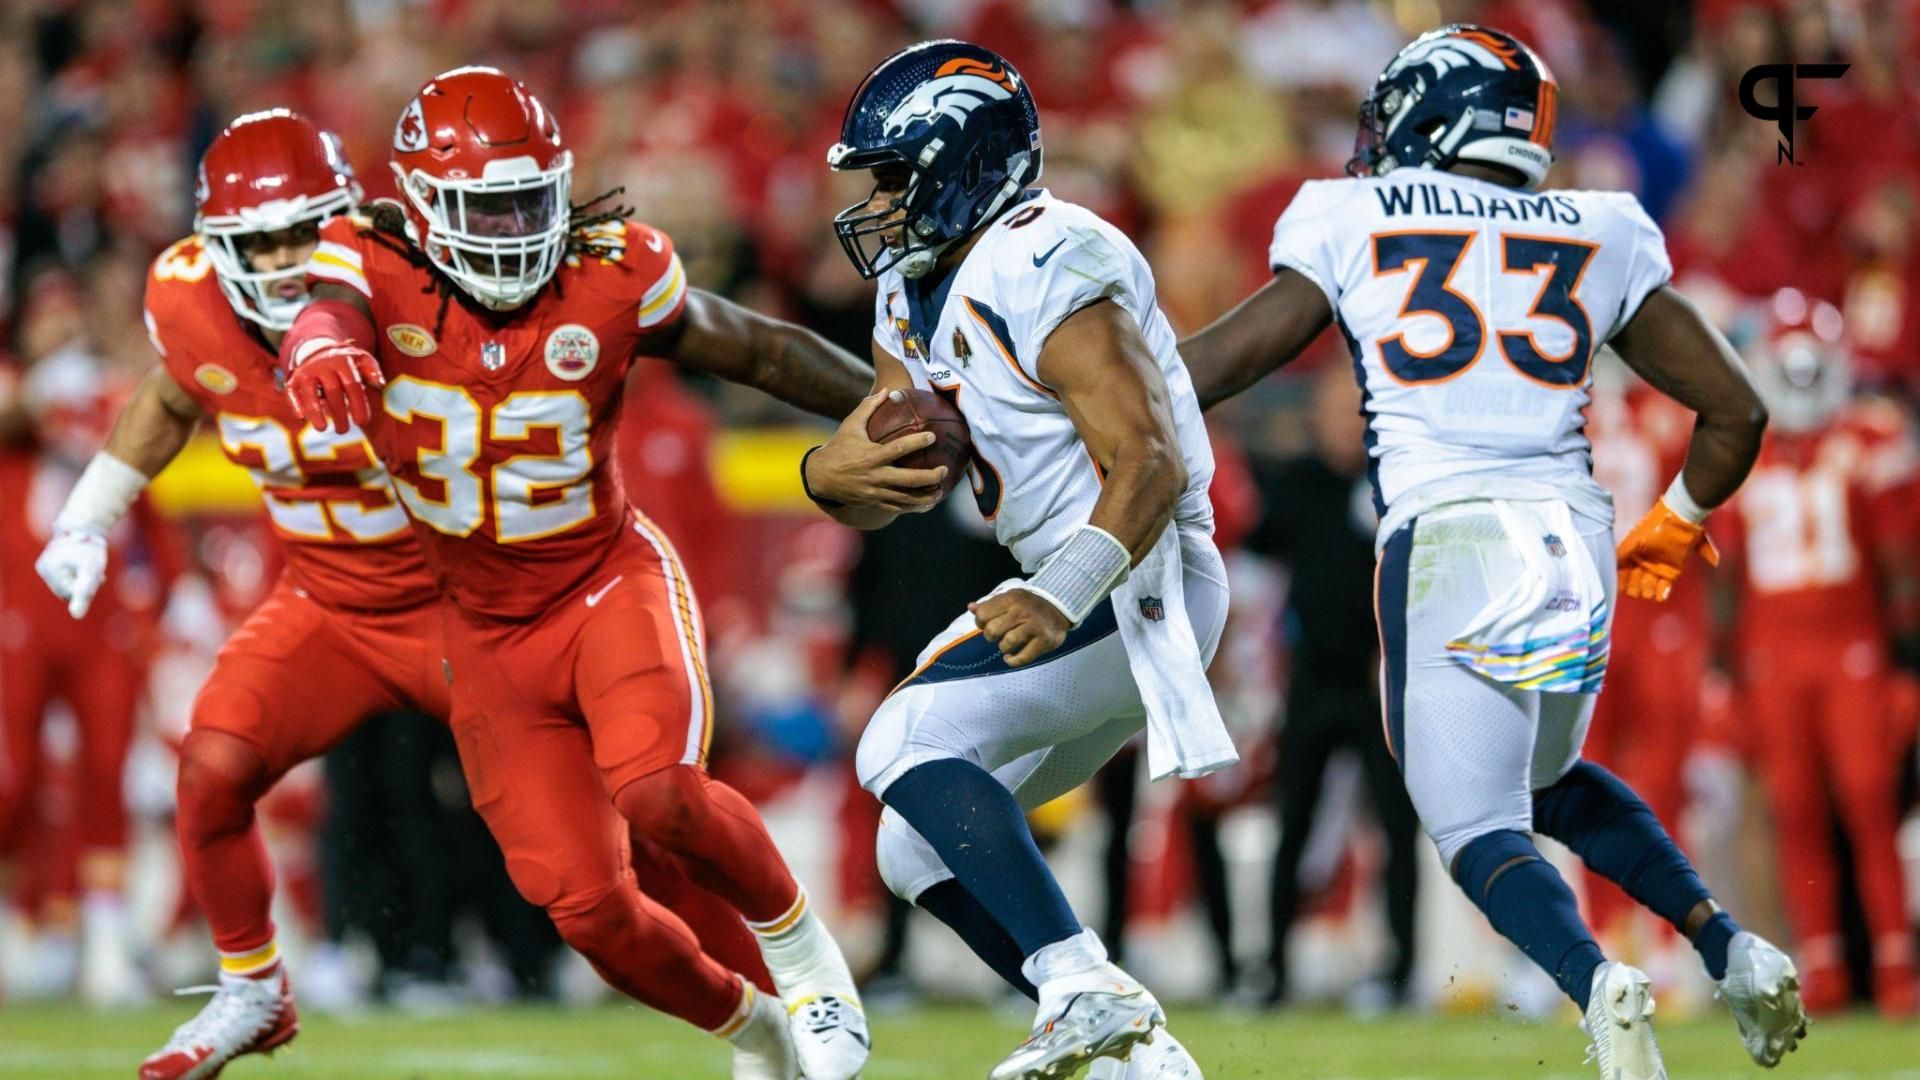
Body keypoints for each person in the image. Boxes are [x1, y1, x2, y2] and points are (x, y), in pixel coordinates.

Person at [36, 109, 777, 1080]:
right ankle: (254, 987)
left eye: (306, 230)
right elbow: (180, 389)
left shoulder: (412, 284)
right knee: (213, 764)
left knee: (607, 874)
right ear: (213, 246)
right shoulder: (189, 299)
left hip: (472, 611)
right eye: (256, 241)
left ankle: (769, 1013)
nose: (284, 259)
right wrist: (93, 510)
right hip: (331, 607)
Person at [1178, 25, 1800, 1078]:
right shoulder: (1599, 227)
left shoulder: (1350, 212)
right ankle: (1727, 947)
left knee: (1466, 825)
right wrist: (1679, 520)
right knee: (1546, 779)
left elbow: (1230, 359)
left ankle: (1595, 982)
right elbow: (1735, 410)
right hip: (1572, 538)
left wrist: (1090, 397)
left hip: (1448, 532)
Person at [277, 67, 879, 1080]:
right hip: (479, 627)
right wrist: (311, 349)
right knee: (588, 911)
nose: (515, 226)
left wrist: (890, 403)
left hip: (603, 580)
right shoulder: (368, 257)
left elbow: (759, 350)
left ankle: (809, 963)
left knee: (660, 794)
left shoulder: (614, 265)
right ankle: (755, 1031)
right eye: (486, 204)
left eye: (531, 198)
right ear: (421, 205)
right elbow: (325, 310)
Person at [806, 40, 1216, 1080]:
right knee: (914, 844)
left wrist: (1060, 587)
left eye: (895, 176)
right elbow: (892, 465)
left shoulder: (1046, 252)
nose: (880, 204)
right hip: (1072, 577)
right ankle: (1142, 1060)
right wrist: (829, 475)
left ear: (962, 162)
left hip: (1140, 571)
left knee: (901, 737)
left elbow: (1151, 460)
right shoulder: (912, 286)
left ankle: (1086, 984)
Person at [1721, 289, 1918, 1017]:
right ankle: (1825, 966)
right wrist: (1721, 669)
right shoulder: (1745, 444)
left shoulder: (1870, 437)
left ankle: (1897, 963)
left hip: (1852, 643)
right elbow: (1729, 574)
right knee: (1794, 807)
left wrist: (1906, 663)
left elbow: (1900, 561)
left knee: (1869, 801)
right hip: (1774, 650)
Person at [1247, 365, 1419, 1009]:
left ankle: (1402, 970)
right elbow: (1254, 543)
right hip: (1314, 681)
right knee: (1292, 827)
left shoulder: (1398, 483)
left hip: (1382, 682)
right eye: (1332, 410)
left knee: (1396, 831)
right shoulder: (1299, 483)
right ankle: (1272, 969)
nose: (1342, 424)